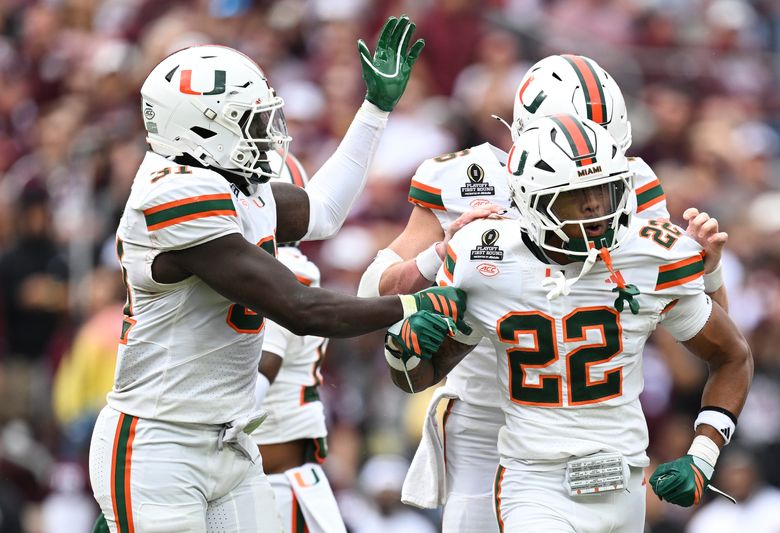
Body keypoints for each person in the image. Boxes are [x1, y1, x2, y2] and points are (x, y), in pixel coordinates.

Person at [88, 16, 467, 532]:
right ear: (200, 128)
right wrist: (411, 306)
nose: (266, 133)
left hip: (232, 438)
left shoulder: (227, 185)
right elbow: (299, 307)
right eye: (249, 120)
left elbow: (323, 212)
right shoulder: (173, 194)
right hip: (161, 443)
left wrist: (375, 110)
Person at [357, 54, 729, 533]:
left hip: (586, 408)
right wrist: (439, 254)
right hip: (483, 407)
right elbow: (373, 295)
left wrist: (706, 273)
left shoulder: (627, 182)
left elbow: (711, 332)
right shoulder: (463, 177)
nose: (593, 167)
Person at [248, 152, 346, 533]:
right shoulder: (273, 266)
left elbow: (262, 371)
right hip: (267, 481)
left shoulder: (282, 270)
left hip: (275, 488)